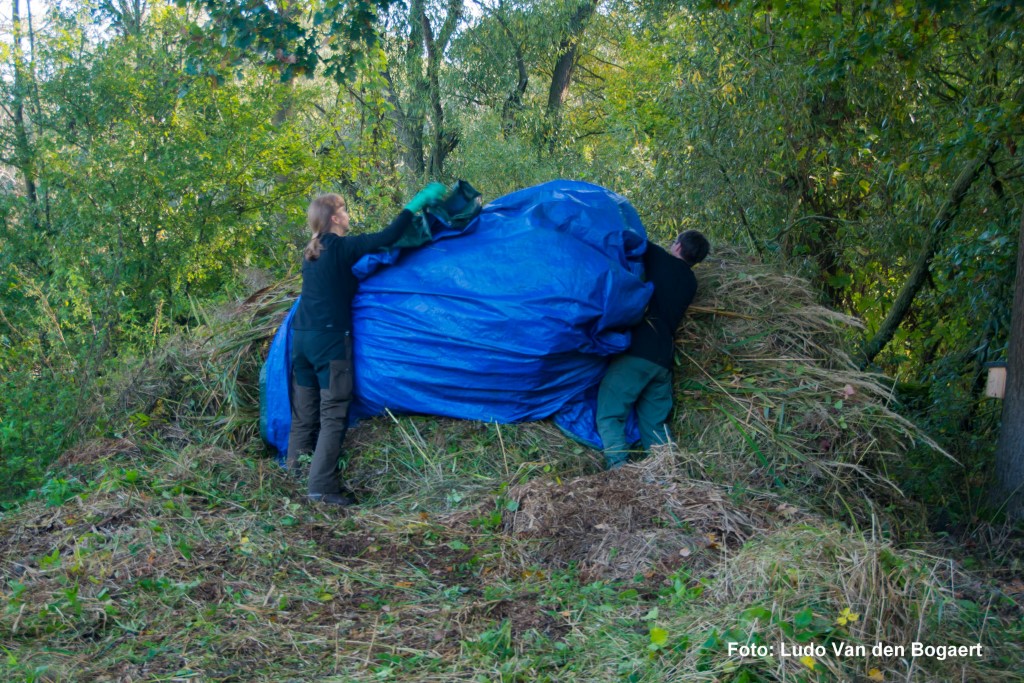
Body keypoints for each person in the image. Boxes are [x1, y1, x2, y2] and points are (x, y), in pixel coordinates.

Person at [288, 184, 447, 505]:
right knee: (333, 414)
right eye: (344, 210)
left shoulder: (311, 253)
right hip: (329, 344)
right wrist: (414, 203)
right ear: (334, 218)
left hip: (300, 342)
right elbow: (387, 236)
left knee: (304, 417)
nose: (348, 214)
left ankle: (291, 479)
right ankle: (320, 489)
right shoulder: (342, 247)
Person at [595, 229, 711, 469]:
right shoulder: (691, 282)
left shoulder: (660, 258)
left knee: (609, 413)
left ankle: (619, 471)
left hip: (639, 352)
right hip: (663, 360)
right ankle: (666, 477)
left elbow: (624, 236)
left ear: (678, 247)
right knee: (655, 425)